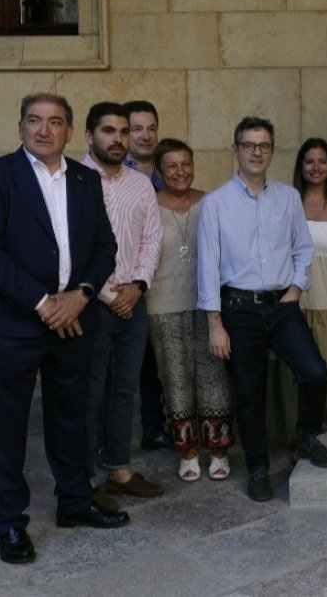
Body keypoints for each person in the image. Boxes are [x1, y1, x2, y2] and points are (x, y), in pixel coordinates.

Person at [0, 93, 129, 564]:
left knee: (73, 417)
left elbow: (104, 246)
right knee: (7, 427)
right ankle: (10, 523)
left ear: (69, 133)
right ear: (20, 128)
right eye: (34, 121)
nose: (43, 130)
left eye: (55, 122)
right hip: (12, 323)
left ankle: (74, 502)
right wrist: (42, 303)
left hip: (74, 322)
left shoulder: (84, 180)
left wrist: (81, 295)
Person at [197, 116, 327, 503]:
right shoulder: (216, 204)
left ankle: (307, 438)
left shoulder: (288, 197)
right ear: (236, 150)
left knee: (315, 371)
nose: (257, 152)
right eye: (249, 145)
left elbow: (302, 249)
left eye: (264, 146)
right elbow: (207, 266)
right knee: (249, 393)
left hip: (281, 306)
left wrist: (295, 287)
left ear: (272, 151)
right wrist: (215, 324)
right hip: (238, 309)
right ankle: (258, 468)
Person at [81, 102, 165, 502]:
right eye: (108, 131)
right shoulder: (74, 181)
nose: (118, 139)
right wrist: (104, 292)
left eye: (123, 132)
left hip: (133, 302)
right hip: (89, 304)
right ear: (89, 135)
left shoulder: (141, 185)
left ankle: (120, 469)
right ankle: (84, 479)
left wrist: (138, 285)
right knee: (89, 391)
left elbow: (152, 239)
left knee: (125, 390)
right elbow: (72, 246)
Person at [146, 138, 234, 482]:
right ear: (159, 170)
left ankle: (220, 448)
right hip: (162, 305)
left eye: (186, 164)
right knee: (175, 378)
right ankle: (187, 451)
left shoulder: (211, 202)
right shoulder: (148, 205)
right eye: (171, 165)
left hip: (207, 303)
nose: (180, 171)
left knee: (215, 376)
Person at [266, 138, 327, 438]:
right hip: (291, 294)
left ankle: (326, 420)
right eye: (309, 161)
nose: (316, 167)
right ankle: (293, 424)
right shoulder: (286, 201)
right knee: (291, 359)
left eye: (322, 161)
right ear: (301, 166)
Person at [121, 99, 171, 452]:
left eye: (151, 128)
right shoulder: (111, 173)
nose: (145, 135)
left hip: (164, 280)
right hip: (124, 286)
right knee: (123, 371)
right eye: (136, 128)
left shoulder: (167, 170)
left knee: (155, 364)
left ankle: (154, 429)